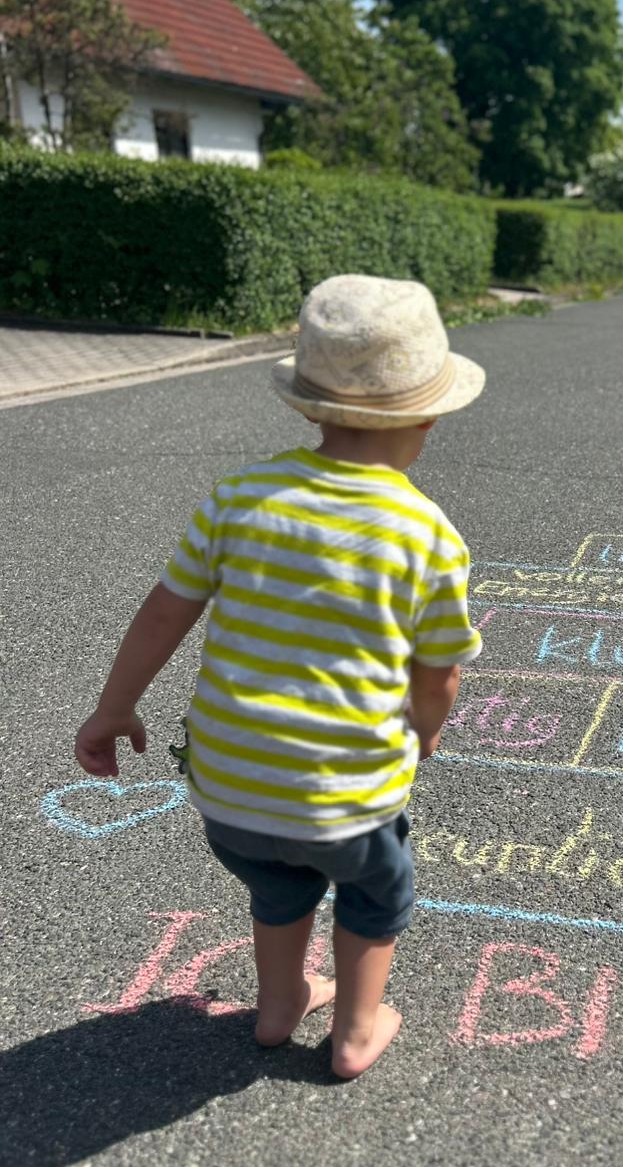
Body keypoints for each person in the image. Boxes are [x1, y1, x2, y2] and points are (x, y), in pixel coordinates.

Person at [74, 275, 485, 1079]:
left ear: (307, 406)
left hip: (229, 795)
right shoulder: (427, 534)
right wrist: (425, 731)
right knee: (375, 895)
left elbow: (164, 613)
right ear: (428, 418)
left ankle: (278, 1005)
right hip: (346, 801)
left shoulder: (241, 497)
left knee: (279, 887)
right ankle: (359, 1030)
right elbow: (438, 674)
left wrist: (113, 708)